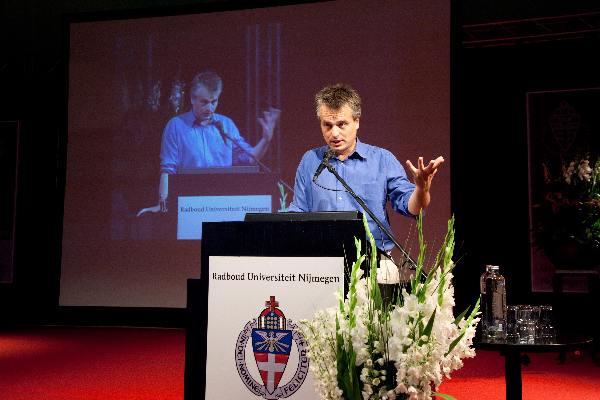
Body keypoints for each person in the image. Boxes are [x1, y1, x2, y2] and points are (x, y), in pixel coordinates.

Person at [287, 83, 444, 252]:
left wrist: (421, 189)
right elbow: (298, 212)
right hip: (322, 261)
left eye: (341, 124)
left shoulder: (382, 159)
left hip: (374, 261)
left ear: (356, 122)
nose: (334, 133)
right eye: (327, 125)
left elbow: (412, 208)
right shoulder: (310, 160)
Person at [137, 69, 280, 215]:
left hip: (222, 204)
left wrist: (265, 140)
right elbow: (167, 170)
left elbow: (250, 158)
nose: (210, 108)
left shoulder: (226, 125)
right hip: (189, 206)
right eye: (204, 102)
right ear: (192, 99)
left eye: (214, 101)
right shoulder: (176, 126)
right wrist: (163, 204)